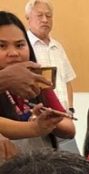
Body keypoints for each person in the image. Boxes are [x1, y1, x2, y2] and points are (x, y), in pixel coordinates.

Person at [0, 11, 74, 152]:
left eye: (20, 45)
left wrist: (48, 120)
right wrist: (33, 128)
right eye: (2, 46)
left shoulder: (37, 79)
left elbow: (69, 129)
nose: (13, 53)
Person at [25, 0, 79, 154]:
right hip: (39, 120)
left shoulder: (57, 47)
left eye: (48, 16)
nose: (45, 20)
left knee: (73, 166)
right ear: (28, 17)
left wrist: (70, 109)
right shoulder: (24, 46)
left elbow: (67, 80)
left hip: (64, 118)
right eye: (39, 15)